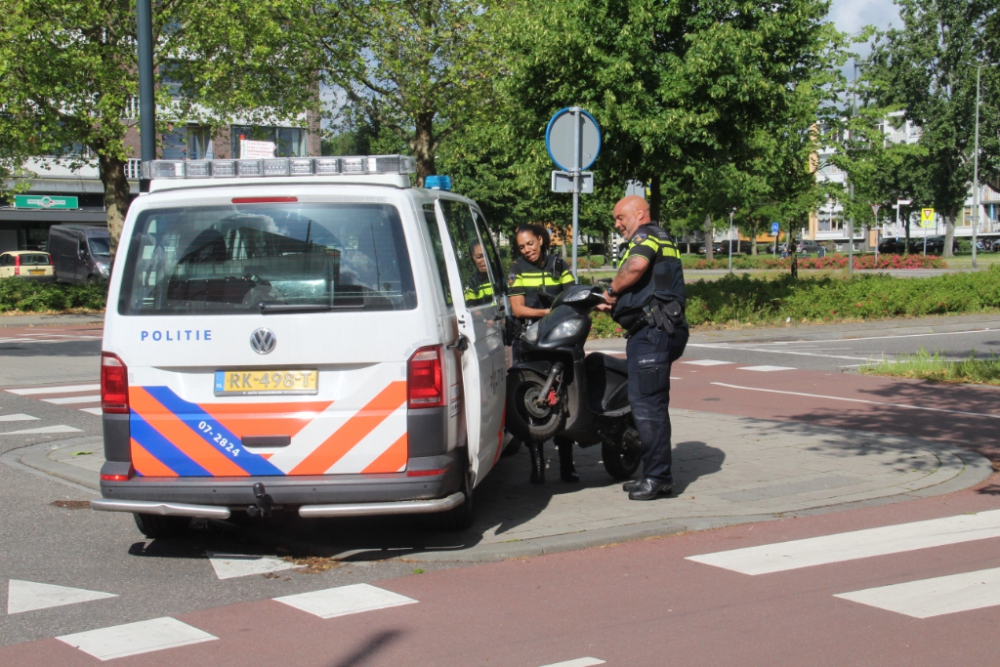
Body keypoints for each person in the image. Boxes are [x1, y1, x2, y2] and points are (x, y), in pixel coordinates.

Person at [602, 196, 688, 501]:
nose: (617, 224)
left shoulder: (646, 235)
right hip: (659, 329)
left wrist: (612, 292)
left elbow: (636, 267)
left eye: (620, 217)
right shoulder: (662, 236)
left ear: (640, 213)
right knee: (652, 405)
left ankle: (657, 478)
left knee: (647, 407)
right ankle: (655, 473)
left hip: (653, 332)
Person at [507, 223, 579, 484]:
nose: (527, 250)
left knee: (563, 400)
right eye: (522, 247)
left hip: (559, 341)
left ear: (541, 239)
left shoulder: (558, 265)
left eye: (530, 244)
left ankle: (567, 464)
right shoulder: (517, 270)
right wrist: (548, 314)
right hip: (530, 341)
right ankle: (537, 466)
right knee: (531, 403)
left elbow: (572, 294)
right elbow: (518, 309)